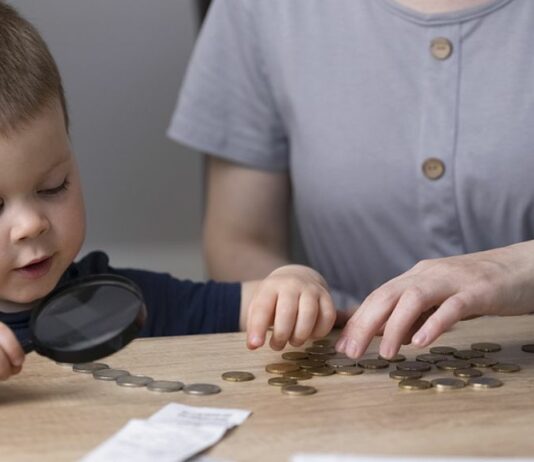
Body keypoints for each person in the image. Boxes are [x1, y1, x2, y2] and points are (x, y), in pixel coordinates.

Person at [168, 0, 534, 360]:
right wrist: (303, 306)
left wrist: (515, 268)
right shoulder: (261, 9)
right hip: (355, 361)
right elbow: (242, 242)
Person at [0, 2, 336, 381]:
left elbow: (245, 306)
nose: (31, 224)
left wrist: (292, 284)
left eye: (52, 186)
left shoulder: (117, 301)